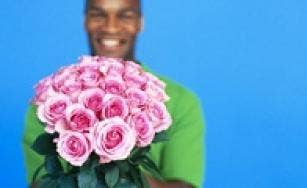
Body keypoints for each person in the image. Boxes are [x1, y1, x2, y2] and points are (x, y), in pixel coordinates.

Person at [22, 0, 205, 187]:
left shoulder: (180, 100)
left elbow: (184, 185)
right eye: (98, 14)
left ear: (140, 23)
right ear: (85, 21)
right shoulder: (51, 101)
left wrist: (119, 167)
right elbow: (40, 184)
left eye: (125, 15)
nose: (110, 27)